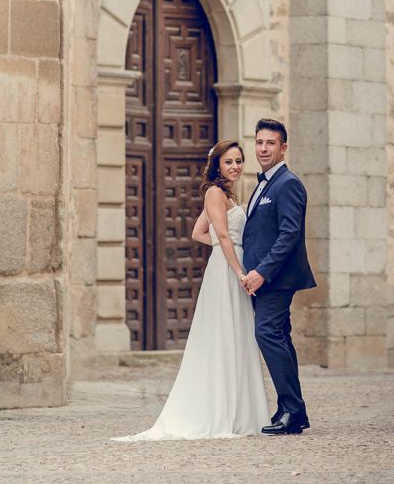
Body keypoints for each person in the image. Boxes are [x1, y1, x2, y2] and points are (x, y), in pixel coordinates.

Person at [113, 139, 270, 441]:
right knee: (225, 334)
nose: (235, 166)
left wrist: (229, 248)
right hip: (228, 270)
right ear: (217, 165)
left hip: (229, 261)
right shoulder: (214, 193)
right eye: (229, 162)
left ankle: (239, 412)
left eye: (239, 161)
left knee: (235, 334)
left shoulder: (226, 195)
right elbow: (221, 235)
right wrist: (237, 268)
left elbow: (199, 232)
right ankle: (221, 412)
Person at [240, 118, 316, 435]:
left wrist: (262, 272)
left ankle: (292, 409)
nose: (263, 148)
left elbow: (289, 234)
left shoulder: (288, 184)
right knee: (279, 336)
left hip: (276, 279)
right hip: (263, 280)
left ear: (283, 148)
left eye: (270, 143)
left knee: (267, 334)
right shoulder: (264, 184)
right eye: (259, 142)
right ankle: (292, 411)